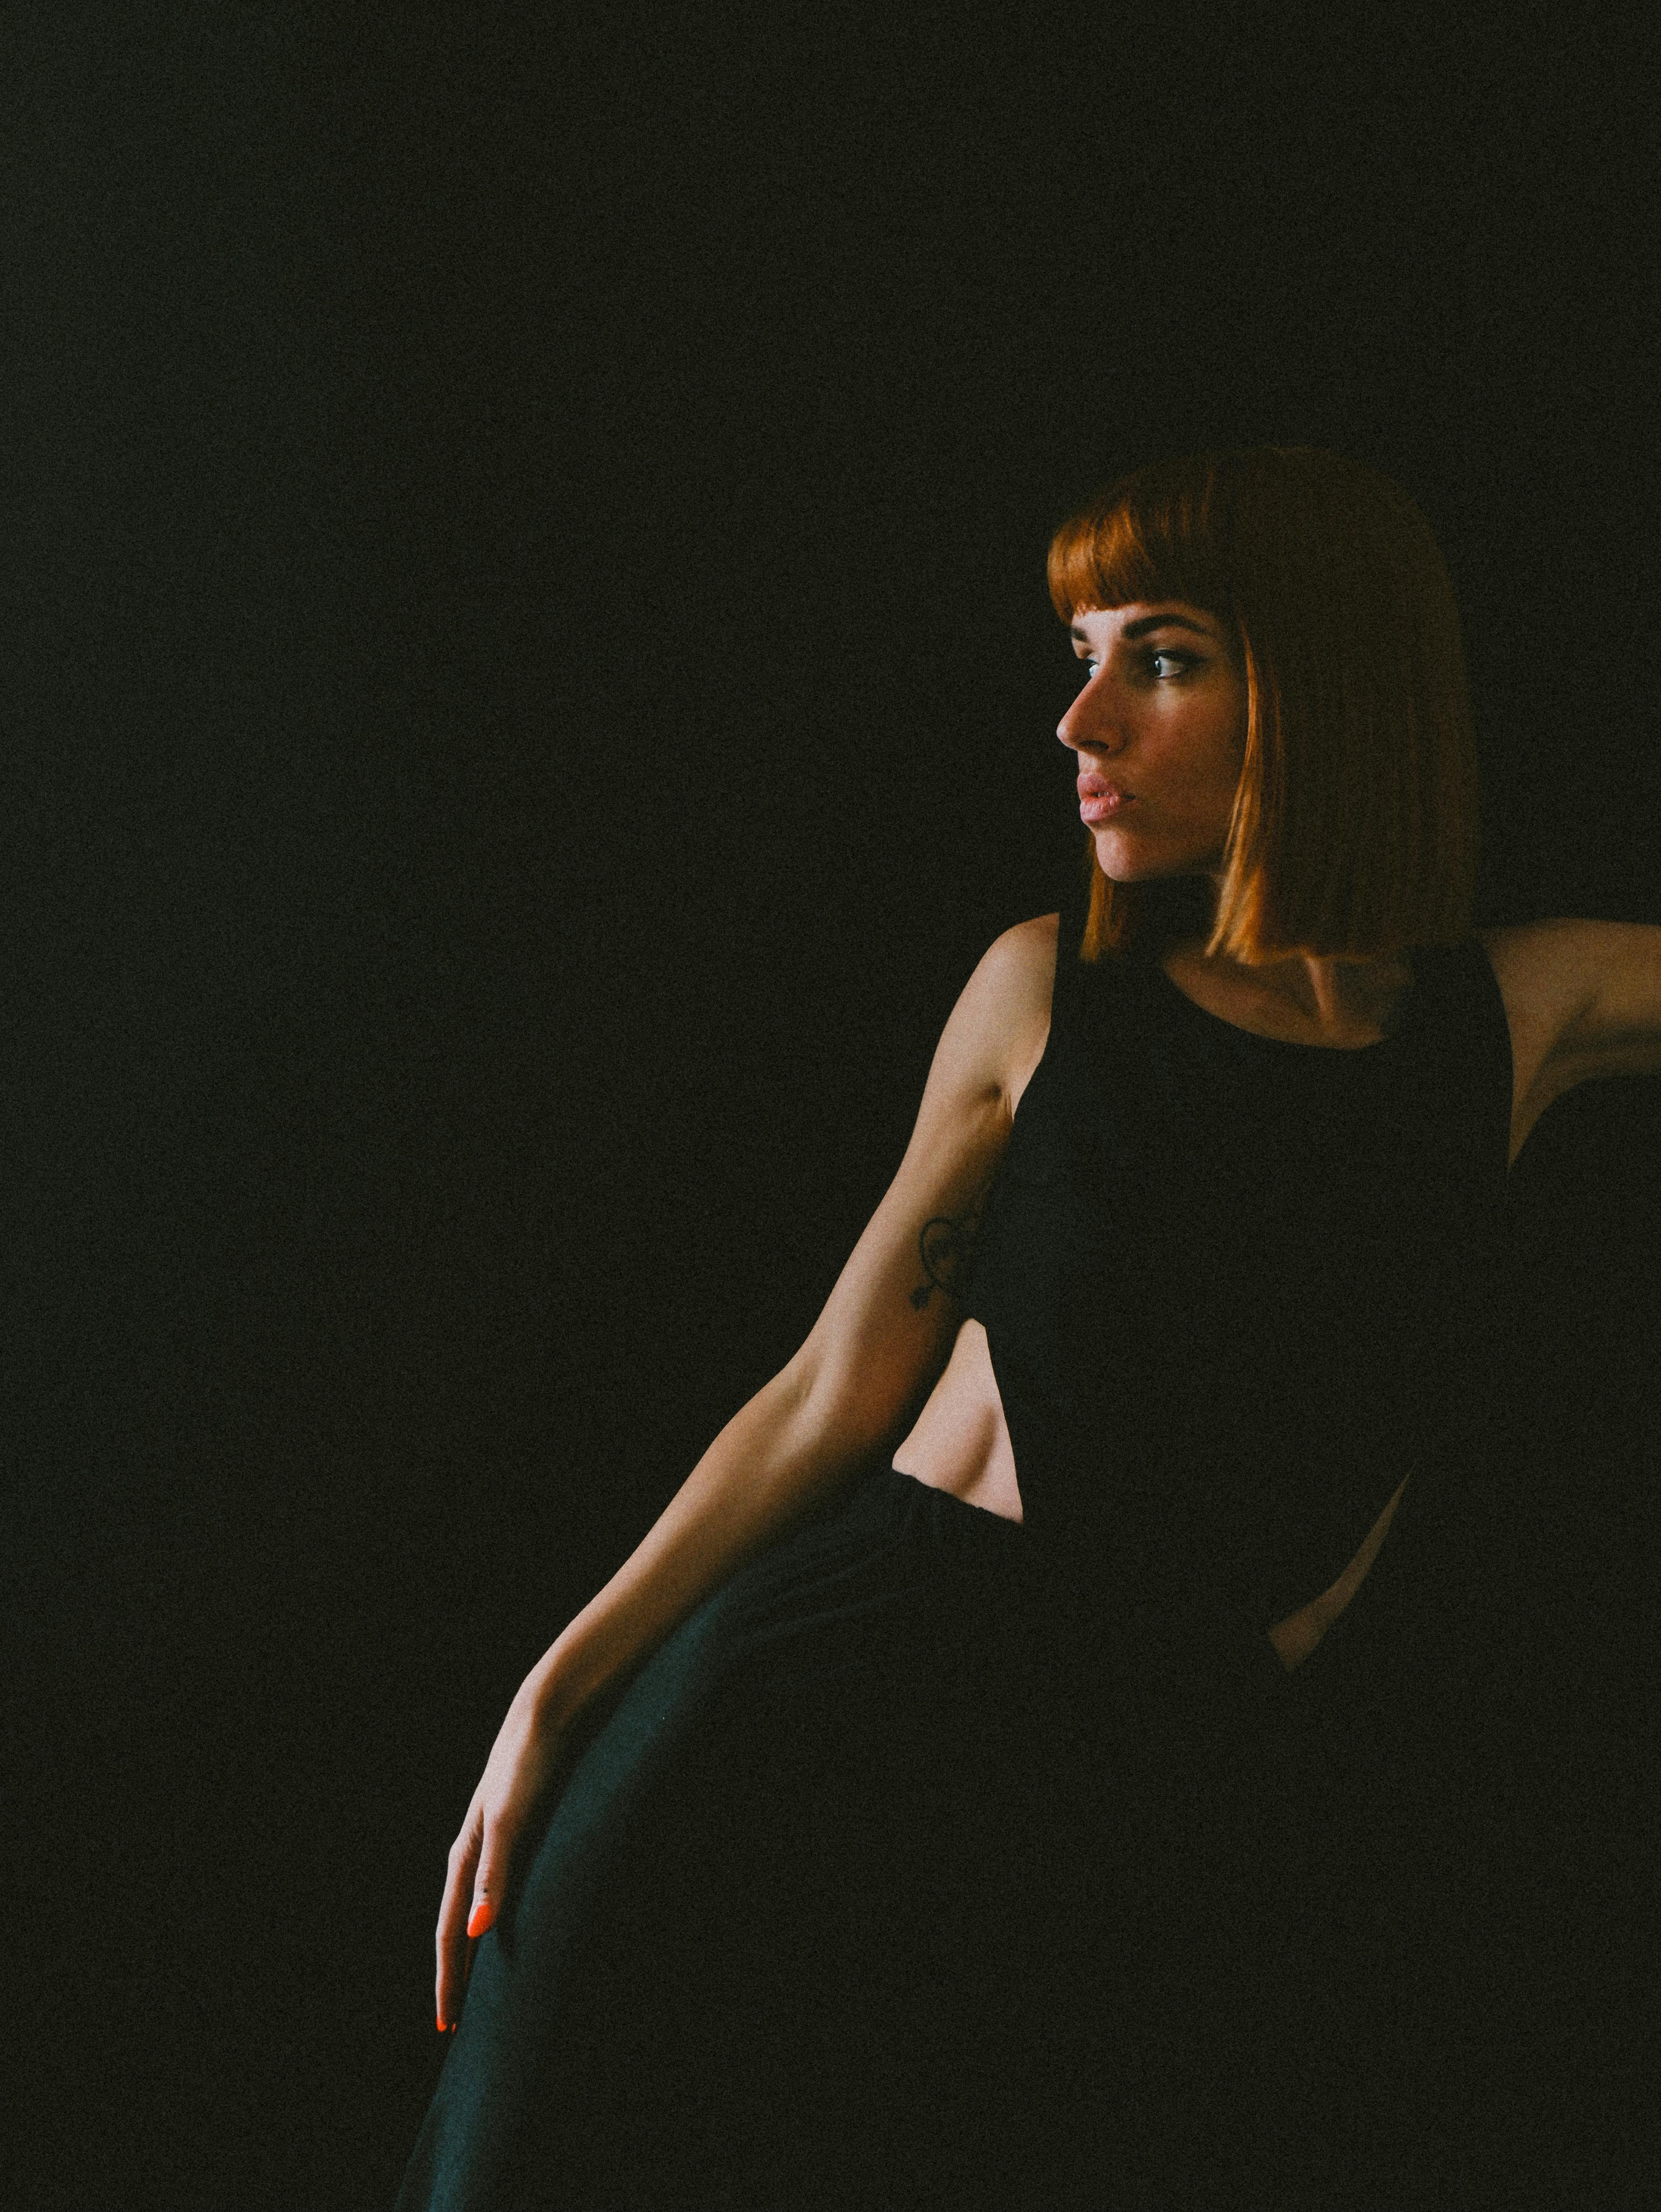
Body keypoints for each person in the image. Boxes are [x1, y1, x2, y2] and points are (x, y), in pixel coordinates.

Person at [394, 448, 1661, 2211]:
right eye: (1084, 652)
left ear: (1324, 684)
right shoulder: (1047, 996)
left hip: (1131, 1826)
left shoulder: (1512, 1022)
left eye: (1160, 658)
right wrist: (555, 1693)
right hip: (806, 1732)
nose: (1080, 722)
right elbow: (835, 1390)